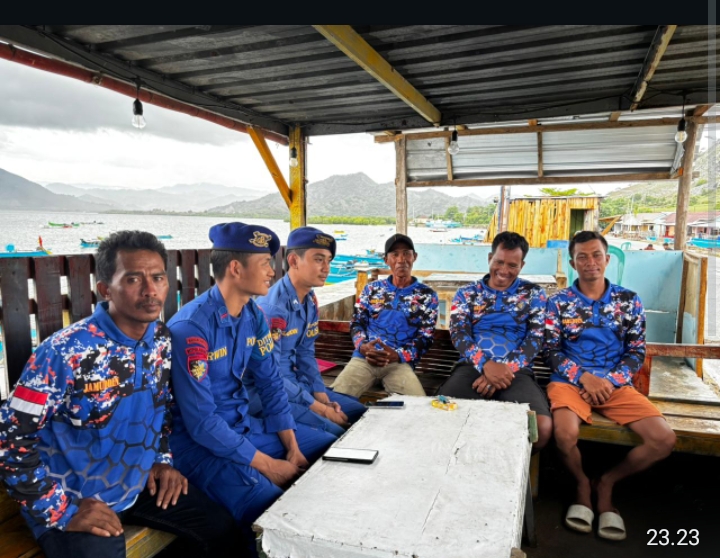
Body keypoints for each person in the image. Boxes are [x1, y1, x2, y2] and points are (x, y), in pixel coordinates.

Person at [0, 231, 235, 558]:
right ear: (105, 289)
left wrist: (161, 461)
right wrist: (60, 510)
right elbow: (11, 438)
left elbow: (162, 407)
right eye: (134, 279)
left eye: (158, 277)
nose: (150, 290)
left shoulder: (160, 340)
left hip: (138, 486)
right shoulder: (65, 352)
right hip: (74, 501)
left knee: (224, 531)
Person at [166, 222, 336, 553]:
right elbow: (202, 423)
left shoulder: (252, 316)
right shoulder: (192, 328)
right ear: (235, 268)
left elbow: (271, 383)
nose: (272, 272)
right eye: (264, 264)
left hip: (245, 428)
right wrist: (270, 465)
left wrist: (292, 447)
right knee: (273, 510)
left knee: (327, 447)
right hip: (201, 447)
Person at [545, 230, 676, 540]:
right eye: (582, 257)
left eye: (596, 255)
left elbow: (636, 351)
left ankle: (606, 483)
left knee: (663, 439)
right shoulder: (558, 303)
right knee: (564, 434)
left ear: (607, 259)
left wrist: (608, 381)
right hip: (569, 382)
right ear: (573, 263)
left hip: (614, 384)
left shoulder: (628, 300)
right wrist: (583, 377)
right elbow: (550, 351)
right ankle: (581, 484)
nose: (590, 262)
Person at [437, 231, 552, 451]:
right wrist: (486, 365)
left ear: (522, 265)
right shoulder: (466, 294)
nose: (504, 270)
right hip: (471, 367)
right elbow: (459, 334)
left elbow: (535, 338)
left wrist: (504, 369)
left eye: (512, 265)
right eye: (499, 262)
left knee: (541, 428)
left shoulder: (534, 294)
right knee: (441, 416)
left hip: (516, 371)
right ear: (490, 258)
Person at [255, 227, 366, 437]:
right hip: (277, 393)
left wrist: (320, 392)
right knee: (336, 433)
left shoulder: (309, 299)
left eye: (329, 260)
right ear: (294, 261)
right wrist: (320, 408)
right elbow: (270, 375)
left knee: (360, 412)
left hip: (300, 385)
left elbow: (306, 352)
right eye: (318, 259)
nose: (326, 268)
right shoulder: (273, 308)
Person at [331, 233, 439, 398]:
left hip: (399, 364)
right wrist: (363, 346)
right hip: (364, 359)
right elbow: (357, 322)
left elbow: (426, 337)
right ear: (386, 260)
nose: (401, 259)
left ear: (414, 257)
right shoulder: (371, 289)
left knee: (418, 407)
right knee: (335, 401)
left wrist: (399, 355)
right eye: (395, 254)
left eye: (406, 253)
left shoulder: (427, 295)